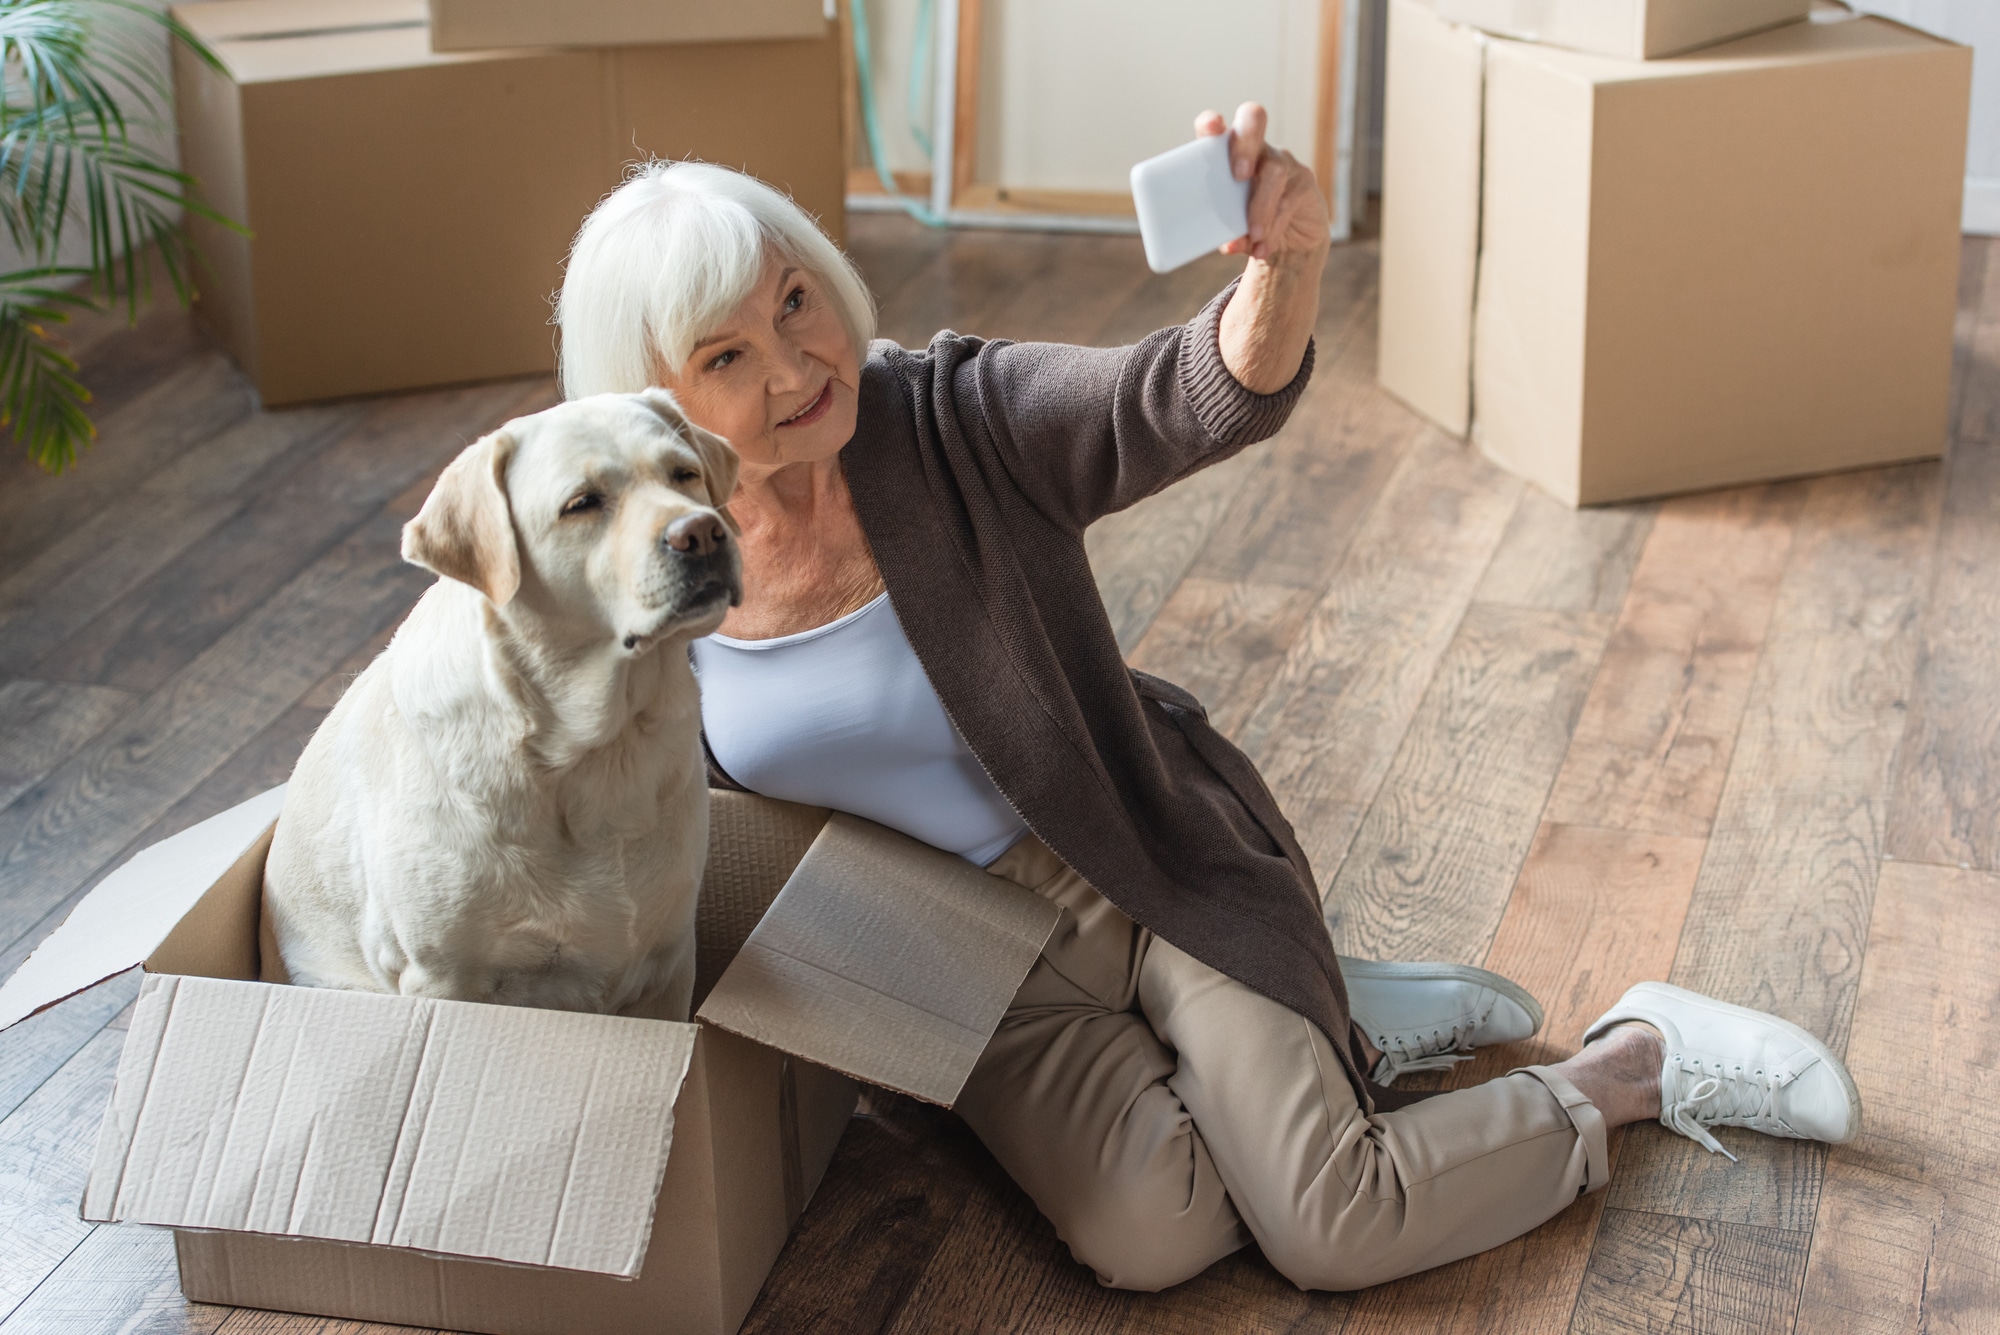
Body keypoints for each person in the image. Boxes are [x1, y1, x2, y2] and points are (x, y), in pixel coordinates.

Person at [553, 106, 1861, 1292]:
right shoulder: (646, 570)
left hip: (1148, 863)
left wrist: (1278, 268)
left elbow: (1182, 395)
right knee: (1150, 1236)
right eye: (728, 355)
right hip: (979, 975)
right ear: (651, 397)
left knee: (1333, 1226)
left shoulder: (952, 419)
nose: (793, 367)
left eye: (797, 302)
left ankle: (1632, 1065)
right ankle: (1342, 1032)